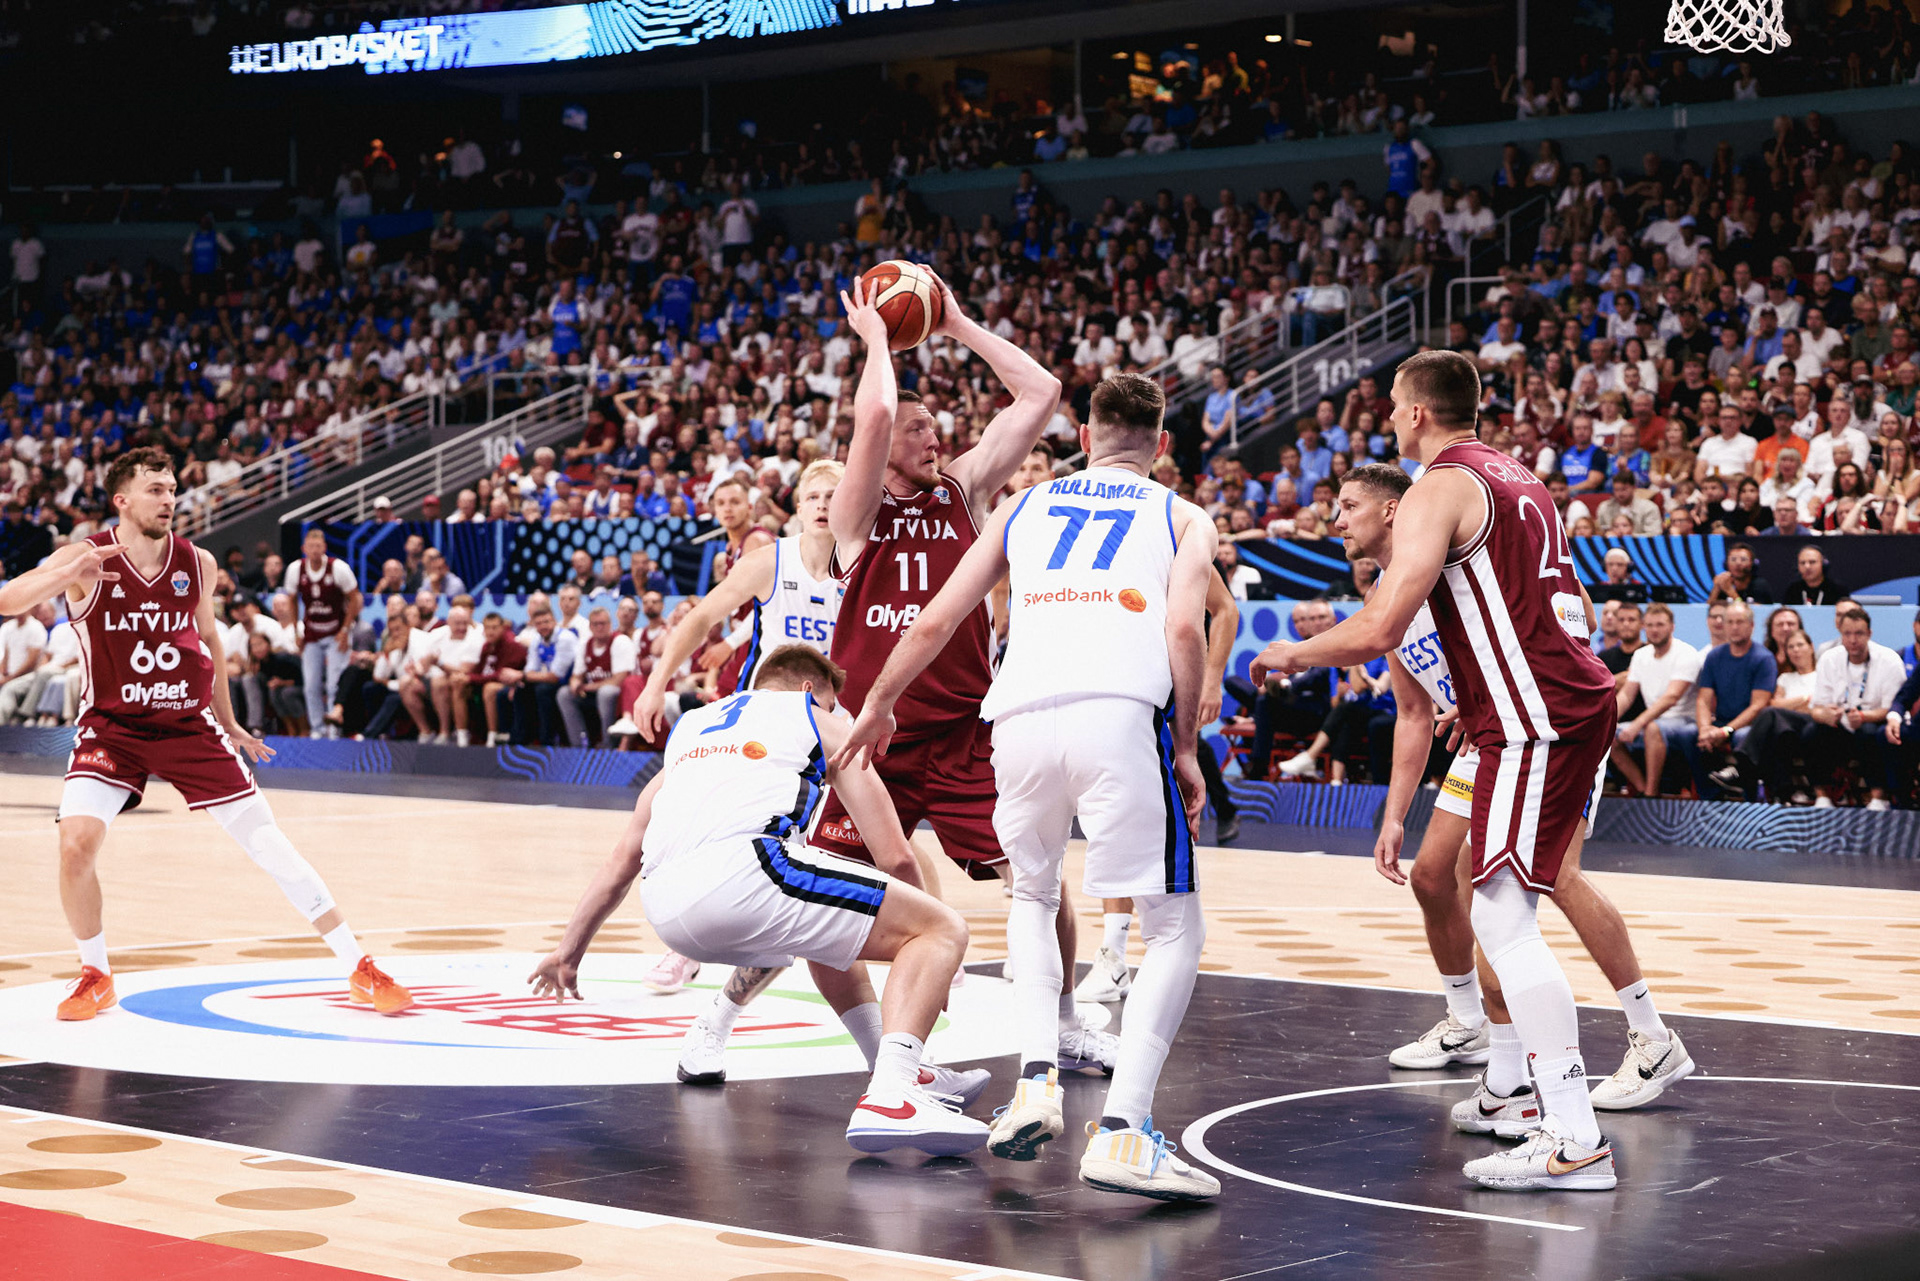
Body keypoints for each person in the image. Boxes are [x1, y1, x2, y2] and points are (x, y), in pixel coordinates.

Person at [838, 372, 1220, 1200]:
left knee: (1034, 896)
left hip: (1014, 721)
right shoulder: (1183, 514)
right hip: (1118, 713)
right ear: (1161, 445)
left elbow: (937, 617)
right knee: (1174, 927)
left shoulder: (1022, 505)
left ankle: (1036, 1080)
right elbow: (1184, 630)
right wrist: (1187, 745)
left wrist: (877, 703)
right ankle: (1124, 1130)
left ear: (1084, 438)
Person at [1251, 351, 1623, 1191]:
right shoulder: (1518, 476)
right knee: (1492, 901)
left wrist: (1291, 653)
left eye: (1392, 405)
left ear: (1417, 412)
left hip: (1533, 713)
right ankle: (1536, 1103)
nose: (1388, 417)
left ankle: (1570, 1134)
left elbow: (1384, 625)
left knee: (1502, 914)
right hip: (1540, 706)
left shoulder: (1438, 486)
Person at [815, 272, 1118, 1075]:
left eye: (936, 427)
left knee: (1039, 877)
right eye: (918, 429)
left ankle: (1063, 1023)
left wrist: (954, 323)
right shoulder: (854, 515)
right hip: (870, 743)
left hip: (963, 734)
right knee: (817, 905)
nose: (934, 437)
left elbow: (1041, 393)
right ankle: (876, 1055)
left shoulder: (966, 490)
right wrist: (878, 341)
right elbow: (874, 415)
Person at [530, 646, 990, 1155]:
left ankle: (899, 1070)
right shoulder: (817, 719)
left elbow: (622, 860)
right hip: (747, 876)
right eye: (831, 703)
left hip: (665, 907)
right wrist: (932, 963)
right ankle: (893, 1095)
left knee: (828, 930)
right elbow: (896, 857)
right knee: (940, 929)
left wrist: (568, 953)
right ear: (808, 691)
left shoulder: (693, 731)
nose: (834, 713)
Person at [1342, 463, 1690, 1130]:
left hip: (1549, 725)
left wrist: (1503, 681)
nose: (1336, 520)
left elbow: (1578, 612)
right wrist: (1394, 814)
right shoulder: (1393, 595)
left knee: (1538, 880)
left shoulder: (1468, 556)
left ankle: (1649, 1037)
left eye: (1348, 505)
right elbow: (1413, 714)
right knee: (1435, 875)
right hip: (1488, 737)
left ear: (1392, 511)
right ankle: (1477, 1031)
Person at [25, 448, 411, 1022]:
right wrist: (61, 573)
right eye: (156, 490)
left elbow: (209, 641)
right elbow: (9, 599)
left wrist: (228, 723)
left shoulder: (196, 562)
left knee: (269, 843)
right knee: (74, 844)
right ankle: (96, 975)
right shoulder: (86, 559)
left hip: (187, 723)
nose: (169, 500)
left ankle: (359, 966)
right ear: (122, 500)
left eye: (172, 490)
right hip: (112, 727)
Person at [624, 461, 850, 1070]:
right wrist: (656, 682)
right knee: (680, 822)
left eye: (835, 494)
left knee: (867, 851)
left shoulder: (869, 565)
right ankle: (689, 949)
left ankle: (933, 949)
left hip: (835, 732)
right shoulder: (770, 561)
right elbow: (701, 617)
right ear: (796, 507)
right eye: (813, 495)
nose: (824, 504)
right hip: (761, 729)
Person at [1810, 608, 1904, 809]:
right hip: (1840, 725)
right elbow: (1816, 708)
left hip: (1874, 722)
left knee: (1869, 732)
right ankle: (1822, 796)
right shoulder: (1829, 659)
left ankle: (1879, 797)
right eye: (1847, 634)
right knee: (1812, 731)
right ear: (1840, 634)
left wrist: (1864, 716)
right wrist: (1825, 715)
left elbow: (1893, 708)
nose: (1853, 640)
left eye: (1859, 633)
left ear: (1869, 634)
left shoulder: (1889, 660)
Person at [1611, 603, 1702, 797]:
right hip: (1654, 721)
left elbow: (1671, 697)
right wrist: (1606, 720)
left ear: (1672, 627)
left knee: (1652, 728)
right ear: (1644, 627)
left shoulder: (1686, 653)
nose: (1654, 630)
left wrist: (1637, 724)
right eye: (1650, 625)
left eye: (1660, 625)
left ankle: (1651, 793)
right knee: (1606, 733)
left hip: (1685, 721)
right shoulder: (1640, 655)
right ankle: (1641, 790)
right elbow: (1626, 695)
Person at [285, 528, 360, 740]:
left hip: (336, 632)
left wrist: (346, 630)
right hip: (312, 633)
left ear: (325, 548)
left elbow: (355, 598)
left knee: (334, 683)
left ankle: (334, 727)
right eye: (311, 547)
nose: (315, 550)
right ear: (304, 549)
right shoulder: (295, 569)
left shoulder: (338, 568)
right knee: (311, 684)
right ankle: (317, 728)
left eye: (318, 546)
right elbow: (291, 600)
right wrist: (295, 630)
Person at [1780, 545, 1846, 605]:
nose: (1807, 567)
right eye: (1802, 563)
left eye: (1812, 562)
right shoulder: (1792, 591)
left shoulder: (1837, 590)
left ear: (1823, 564)